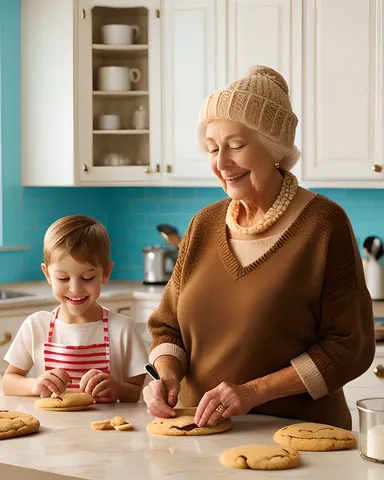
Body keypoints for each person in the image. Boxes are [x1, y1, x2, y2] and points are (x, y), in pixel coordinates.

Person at [143, 65, 375, 429]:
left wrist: (253, 392)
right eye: (213, 148)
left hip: (297, 437)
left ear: (274, 148)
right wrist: (166, 376)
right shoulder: (203, 224)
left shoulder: (324, 223)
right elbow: (167, 327)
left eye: (236, 145)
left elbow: (349, 346)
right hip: (197, 434)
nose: (221, 163)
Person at [2, 215, 147, 402]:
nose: (75, 288)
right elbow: (8, 381)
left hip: (108, 428)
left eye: (88, 278)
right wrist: (35, 385)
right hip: (53, 429)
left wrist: (118, 389)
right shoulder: (36, 325)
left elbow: (136, 391)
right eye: (63, 278)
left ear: (106, 273)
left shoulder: (123, 329)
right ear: (47, 274)